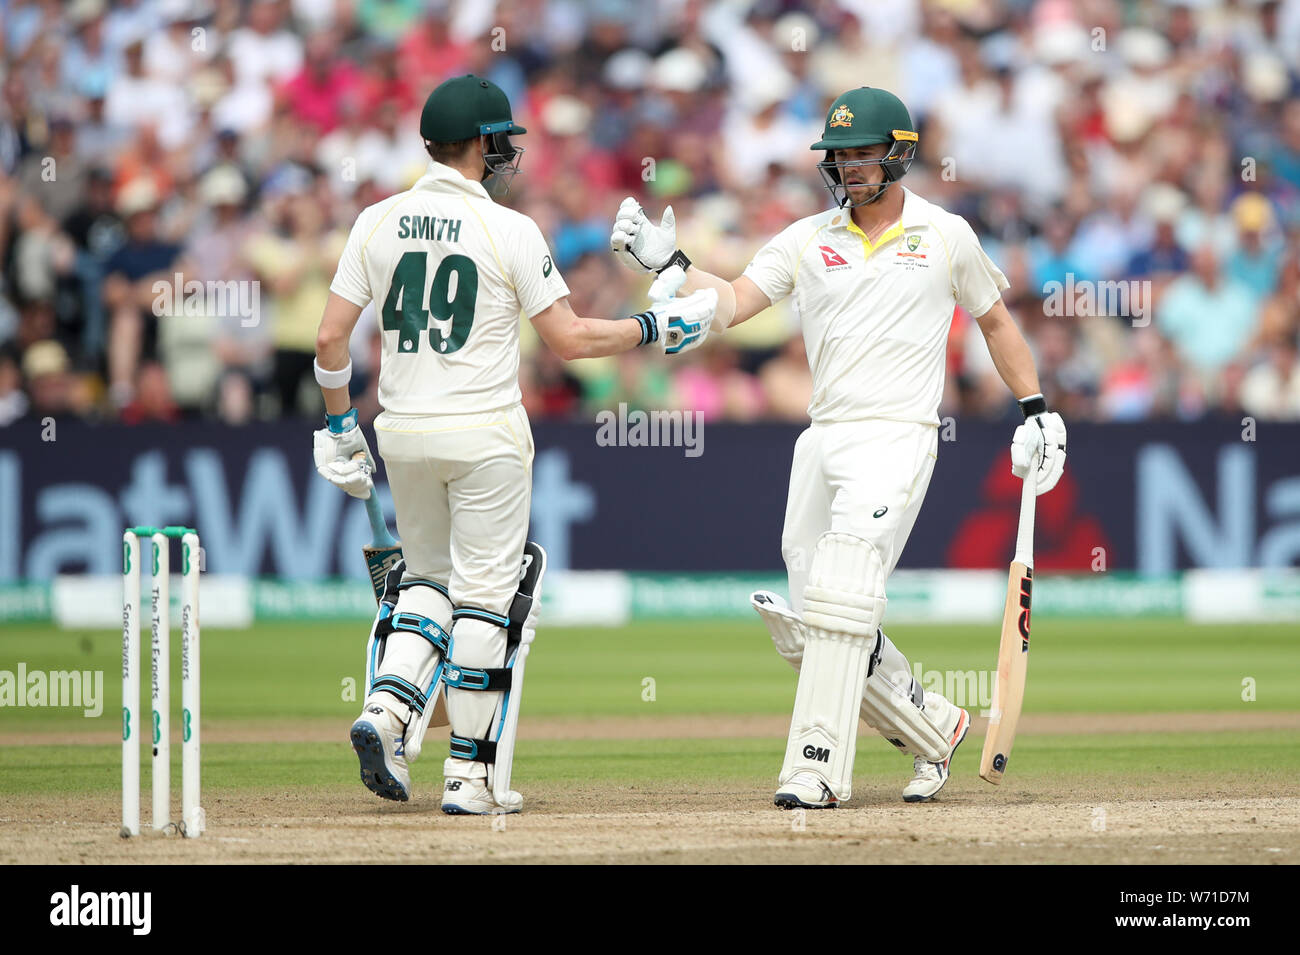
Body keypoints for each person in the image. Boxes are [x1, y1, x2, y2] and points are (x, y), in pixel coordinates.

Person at [610, 86, 1067, 807]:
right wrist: (669, 266)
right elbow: (733, 302)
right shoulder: (806, 238)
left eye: (862, 152)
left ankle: (815, 767)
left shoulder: (946, 234)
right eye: (839, 154)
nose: (849, 166)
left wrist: (1037, 408)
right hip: (823, 438)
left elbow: (998, 321)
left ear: (899, 153)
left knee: (844, 594)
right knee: (811, 620)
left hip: (898, 435)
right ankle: (934, 727)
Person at [312, 74, 716, 815]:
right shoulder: (510, 228)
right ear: (479, 144)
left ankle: (388, 711)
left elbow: (330, 337)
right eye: (499, 139)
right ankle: (467, 776)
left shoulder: (376, 219)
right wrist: (658, 328)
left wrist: (340, 426)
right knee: (485, 601)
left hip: (401, 431)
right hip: (486, 434)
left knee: (425, 587)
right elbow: (569, 339)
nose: (506, 152)